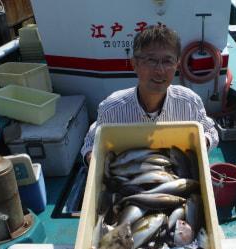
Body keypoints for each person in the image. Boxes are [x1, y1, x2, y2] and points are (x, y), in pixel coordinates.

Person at [81, 25, 219, 164]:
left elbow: (210, 131)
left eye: (167, 61)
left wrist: (204, 142)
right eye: (151, 60)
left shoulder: (190, 102)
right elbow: (91, 141)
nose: (159, 70)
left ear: (177, 65)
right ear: (134, 64)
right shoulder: (111, 108)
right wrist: (91, 156)